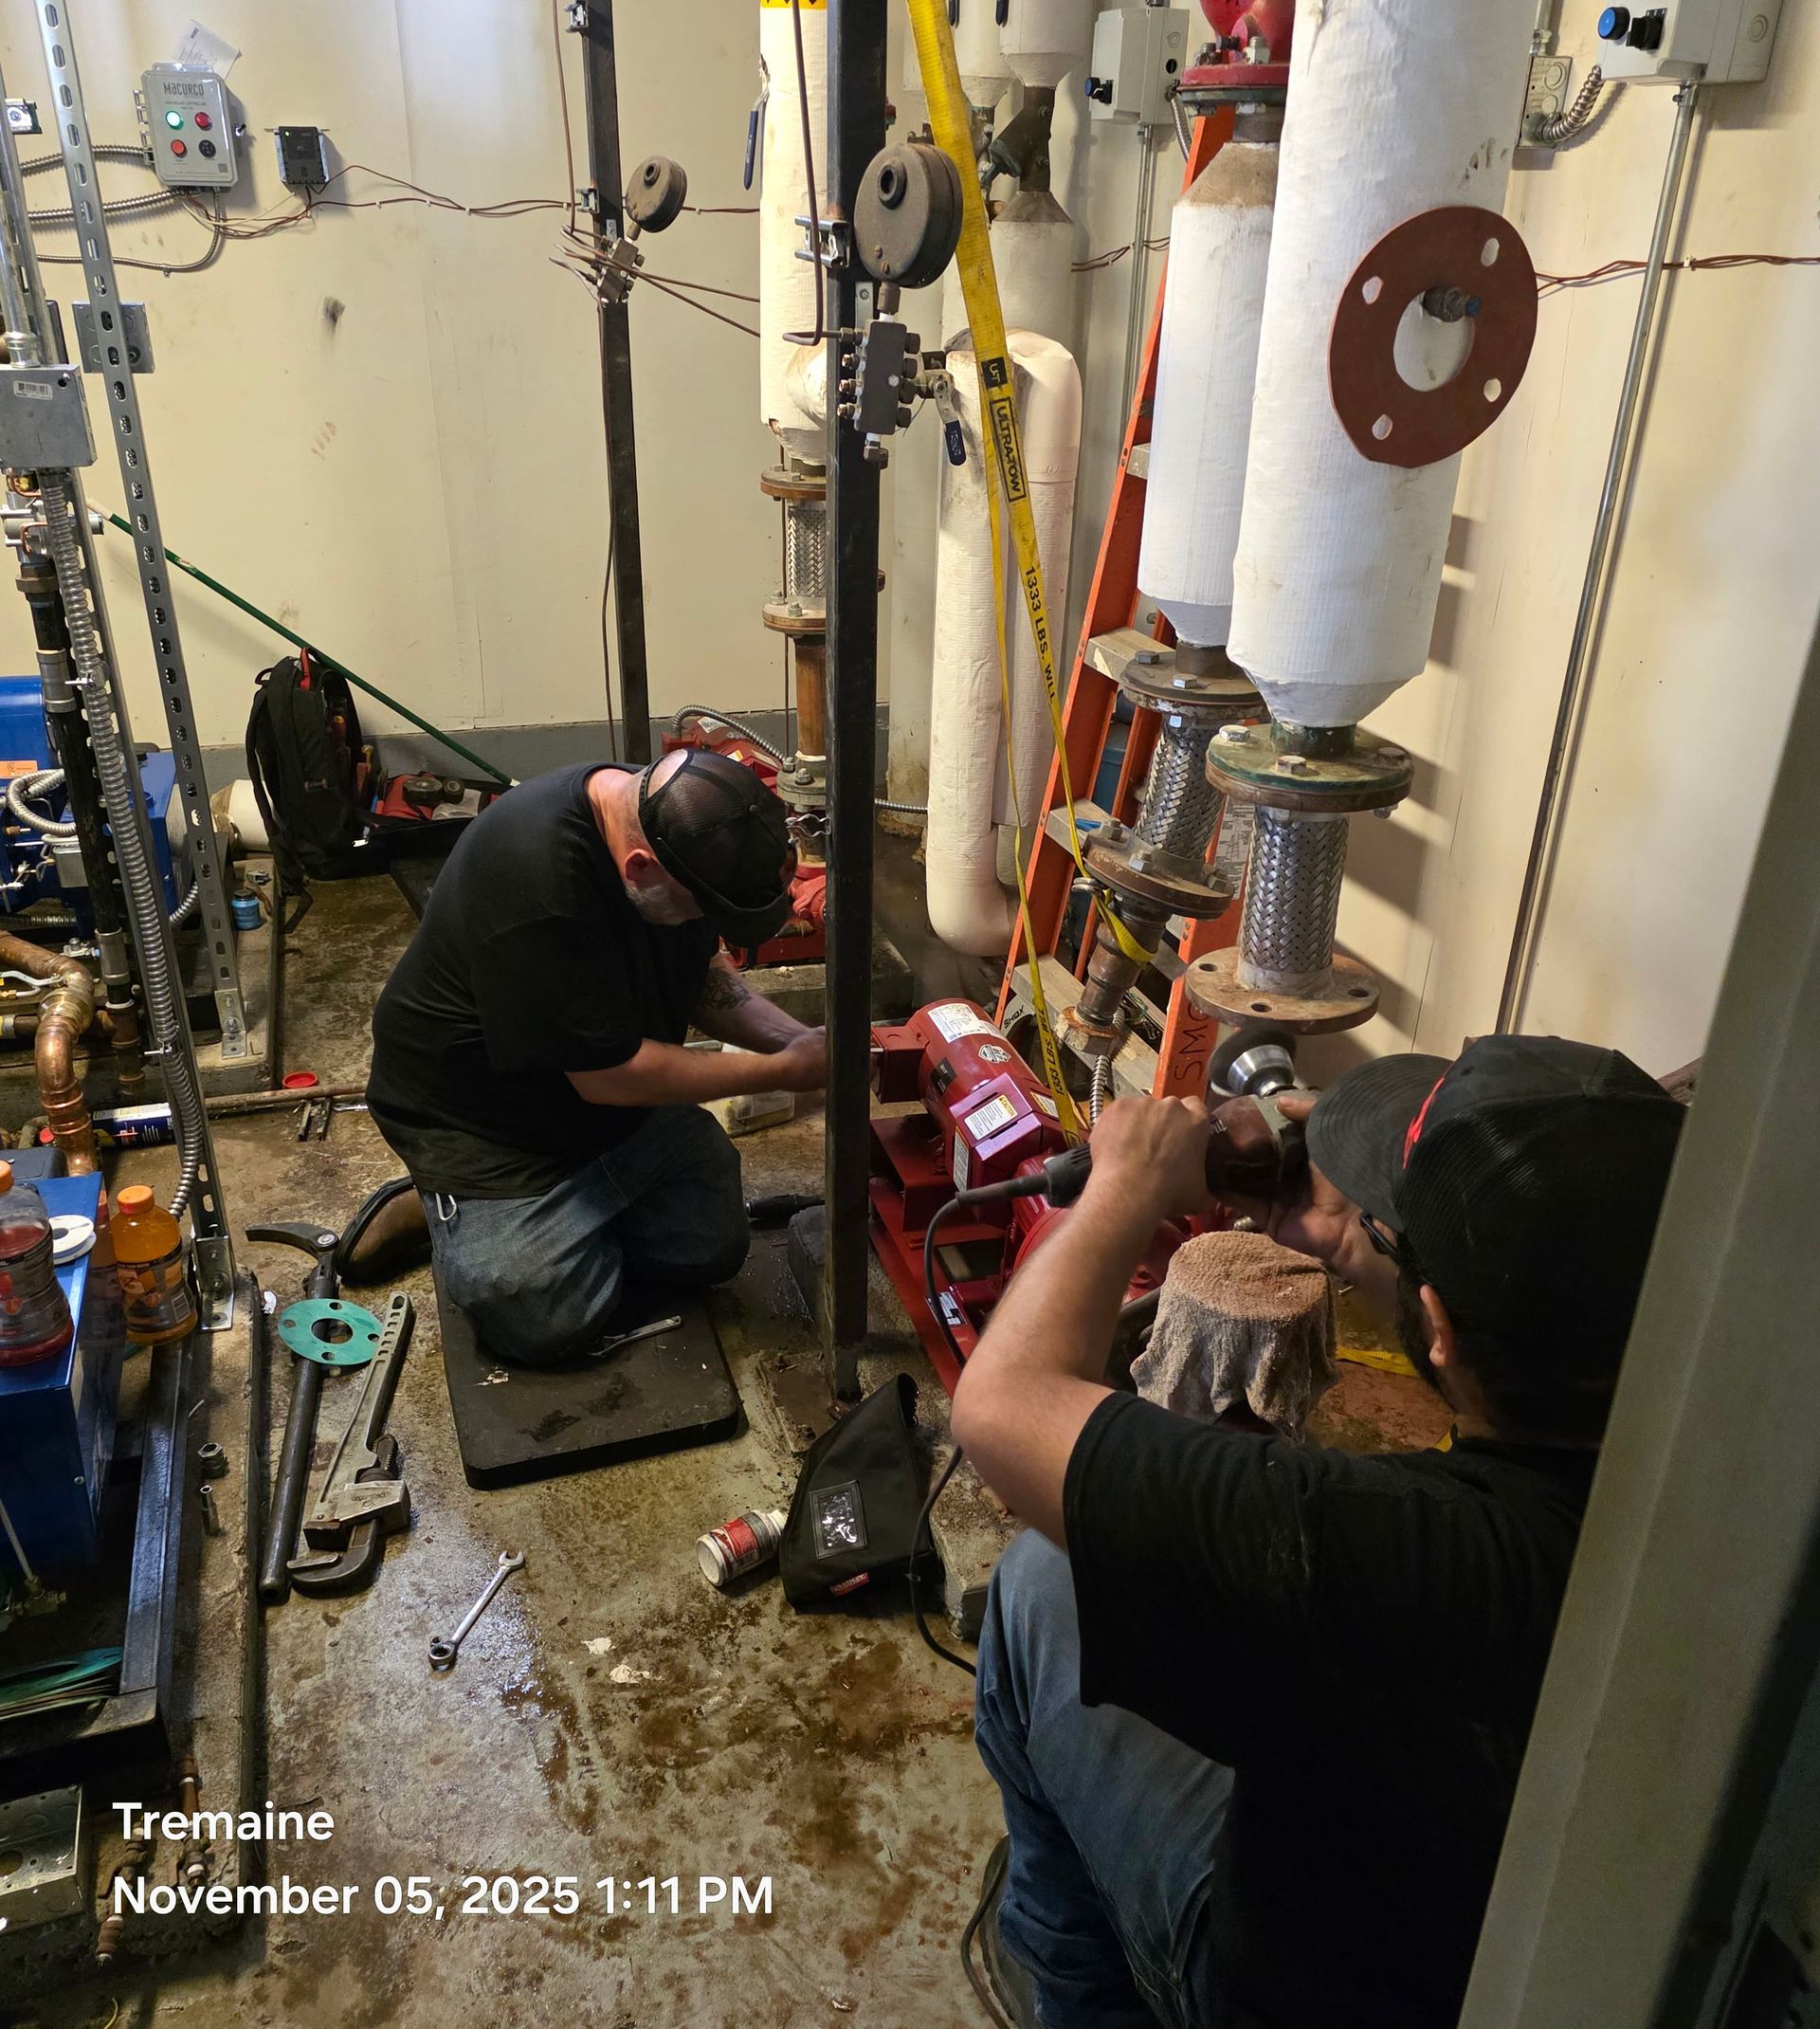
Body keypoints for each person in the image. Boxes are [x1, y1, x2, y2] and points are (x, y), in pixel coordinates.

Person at [952, 1034, 1686, 2029]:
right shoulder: (1711, 1483)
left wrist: (1122, 1187)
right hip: (1496, 1955)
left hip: (1289, 1989)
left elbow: (1003, 1406)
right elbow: (1462, 1318)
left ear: (1437, 1323)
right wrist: (1349, 1230)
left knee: (1044, 1585)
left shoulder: (1396, 1549)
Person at [356, 748, 827, 1366]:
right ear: (639, 868)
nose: (702, 927)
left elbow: (701, 975)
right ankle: (451, 1207)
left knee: (711, 1248)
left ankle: (548, 1222)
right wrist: (779, 1072)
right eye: (696, 910)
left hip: (594, 1102)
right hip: (480, 1125)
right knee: (546, 1318)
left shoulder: (662, 822)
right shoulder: (536, 874)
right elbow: (610, 1077)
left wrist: (798, 1041)